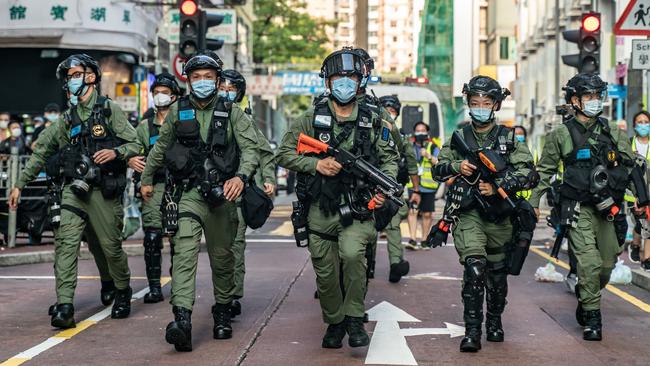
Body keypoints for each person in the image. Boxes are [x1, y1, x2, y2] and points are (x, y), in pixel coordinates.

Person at [277, 48, 399, 349]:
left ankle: (355, 320)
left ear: (361, 81)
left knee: (353, 255)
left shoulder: (376, 117)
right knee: (326, 272)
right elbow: (283, 153)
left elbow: (390, 159)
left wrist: (384, 189)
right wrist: (315, 164)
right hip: (321, 207)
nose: (344, 83)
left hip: (359, 206)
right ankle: (335, 322)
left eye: (351, 77)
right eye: (338, 78)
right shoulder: (310, 118)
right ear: (327, 82)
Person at [140, 51, 260, 352]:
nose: (202, 82)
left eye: (208, 77)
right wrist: (145, 179)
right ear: (188, 81)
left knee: (222, 258)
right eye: (196, 77)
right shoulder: (178, 110)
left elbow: (251, 150)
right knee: (184, 253)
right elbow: (160, 148)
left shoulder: (232, 113)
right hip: (189, 195)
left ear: (218, 81)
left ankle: (222, 310)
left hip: (224, 196)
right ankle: (181, 319)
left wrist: (241, 178)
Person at [9, 54, 139, 329]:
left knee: (109, 247)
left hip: (103, 190)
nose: (71, 80)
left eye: (76, 74)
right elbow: (41, 150)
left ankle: (122, 289)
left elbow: (135, 143)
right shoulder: (66, 119)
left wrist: (115, 152)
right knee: (65, 246)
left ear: (91, 77)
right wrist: (19, 184)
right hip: (72, 190)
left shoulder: (108, 110)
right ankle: (65, 306)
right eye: (68, 77)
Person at [529, 73, 640, 341]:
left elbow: (631, 167)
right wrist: (532, 202)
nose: (594, 101)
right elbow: (544, 171)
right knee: (588, 264)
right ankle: (592, 317)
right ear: (575, 100)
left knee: (605, 266)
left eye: (597, 96)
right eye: (588, 96)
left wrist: (641, 198)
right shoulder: (560, 134)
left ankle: (586, 294)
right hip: (577, 208)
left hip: (608, 208)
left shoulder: (613, 131)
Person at [432, 75, 536, 352]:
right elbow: (437, 170)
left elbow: (528, 173)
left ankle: (494, 318)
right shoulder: (458, 138)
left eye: (486, 103)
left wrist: (498, 185)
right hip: (468, 213)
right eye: (474, 102)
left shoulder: (510, 138)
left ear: (496, 106)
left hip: (500, 215)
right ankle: (473, 331)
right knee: (474, 267)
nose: (480, 107)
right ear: (468, 103)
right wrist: (457, 167)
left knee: (497, 276)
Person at [218, 69, 277, 316]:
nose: (226, 93)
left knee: (235, 245)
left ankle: (231, 297)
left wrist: (269, 179)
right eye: (223, 87)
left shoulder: (245, 120)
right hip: (207, 192)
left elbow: (264, 152)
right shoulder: (200, 116)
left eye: (232, 89)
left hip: (239, 192)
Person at [128, 72, 182, 303]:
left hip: (179, 188)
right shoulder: (144, 127)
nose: (159, 96)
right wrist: (129, 159)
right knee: (151, 238)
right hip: (153, 188)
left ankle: (179, 286)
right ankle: (154, 287)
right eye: (156, 92)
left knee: (180, 240)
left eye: (164, 92)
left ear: (174, 96)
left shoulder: (184, 122)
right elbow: (131, 148)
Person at [377, 95, 418, 282]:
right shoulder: (368, 132)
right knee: (365, 230)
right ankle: (364, 266)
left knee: (393, 226)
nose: (389, 115)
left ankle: (396, 263)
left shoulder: (402, 139)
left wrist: (415, 191)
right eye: (386, 110)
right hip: (367, 189)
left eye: (392, 112)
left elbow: (411, 165)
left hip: (393, 191)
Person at [406, 121, 440, 249]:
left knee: (427, 214)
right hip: (413, 185)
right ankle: (412, 239)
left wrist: (428, 155)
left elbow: (438, 163)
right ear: (414, 132)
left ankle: (425, 240)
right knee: (413, 211)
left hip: (428, 187)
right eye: (418, 130)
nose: (420, 132)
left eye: (423, 130)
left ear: (427, 133)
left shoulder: (433, 146)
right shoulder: (409, 146)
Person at [628, 110, 650, 269]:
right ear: (635, 125)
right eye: (640, 122)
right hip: (633, 193)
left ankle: (647, 259)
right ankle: (635, 245)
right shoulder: (629, 144)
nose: (643, 125)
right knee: (640, 222)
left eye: (646, 122)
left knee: (648, 222)